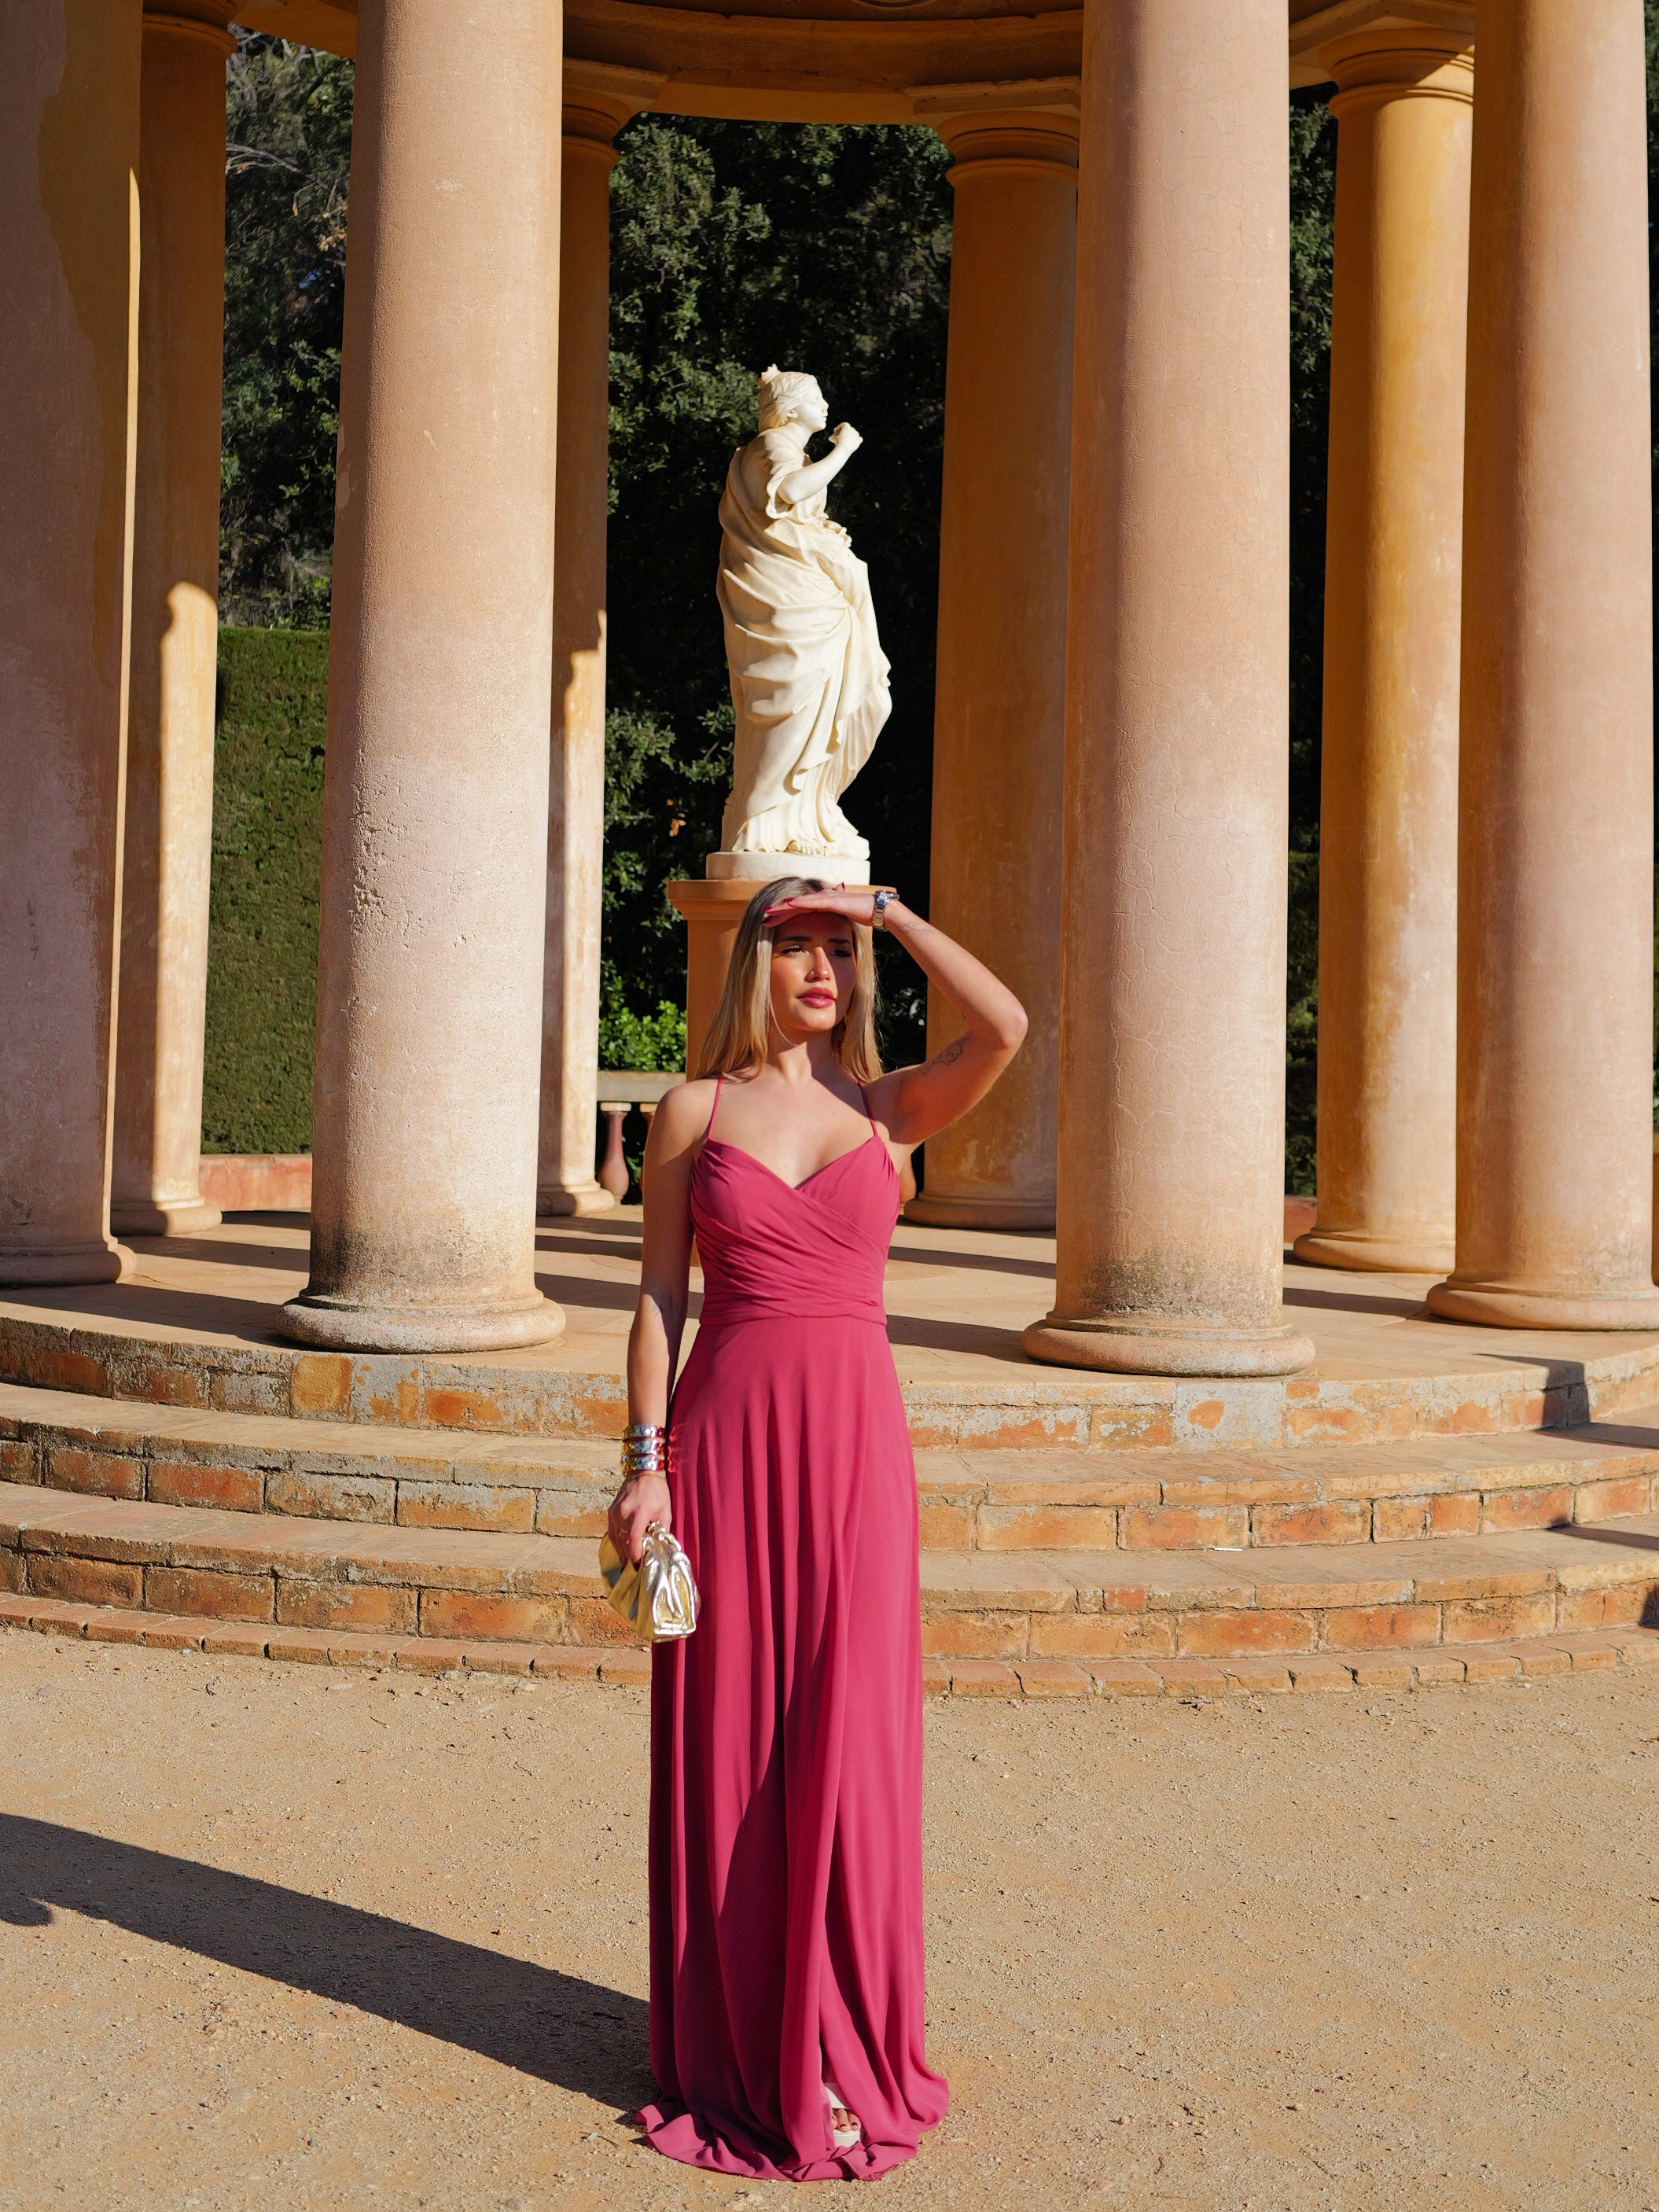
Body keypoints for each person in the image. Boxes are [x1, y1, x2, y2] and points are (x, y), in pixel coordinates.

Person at [612, 876, 1027, 2181]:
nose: (818, 967)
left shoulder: (884, 1107)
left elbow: (1004, 1028)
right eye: (794, 945)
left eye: (834, 951)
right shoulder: (696, 1111)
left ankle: (844, 2040)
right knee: (734, 1739)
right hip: (727, 1447)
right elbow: (657, 1300)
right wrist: (644, 1466)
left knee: (845, 1742)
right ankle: (740, 2048)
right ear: (754, 965)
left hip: (852, 1453)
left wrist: (895, 915)